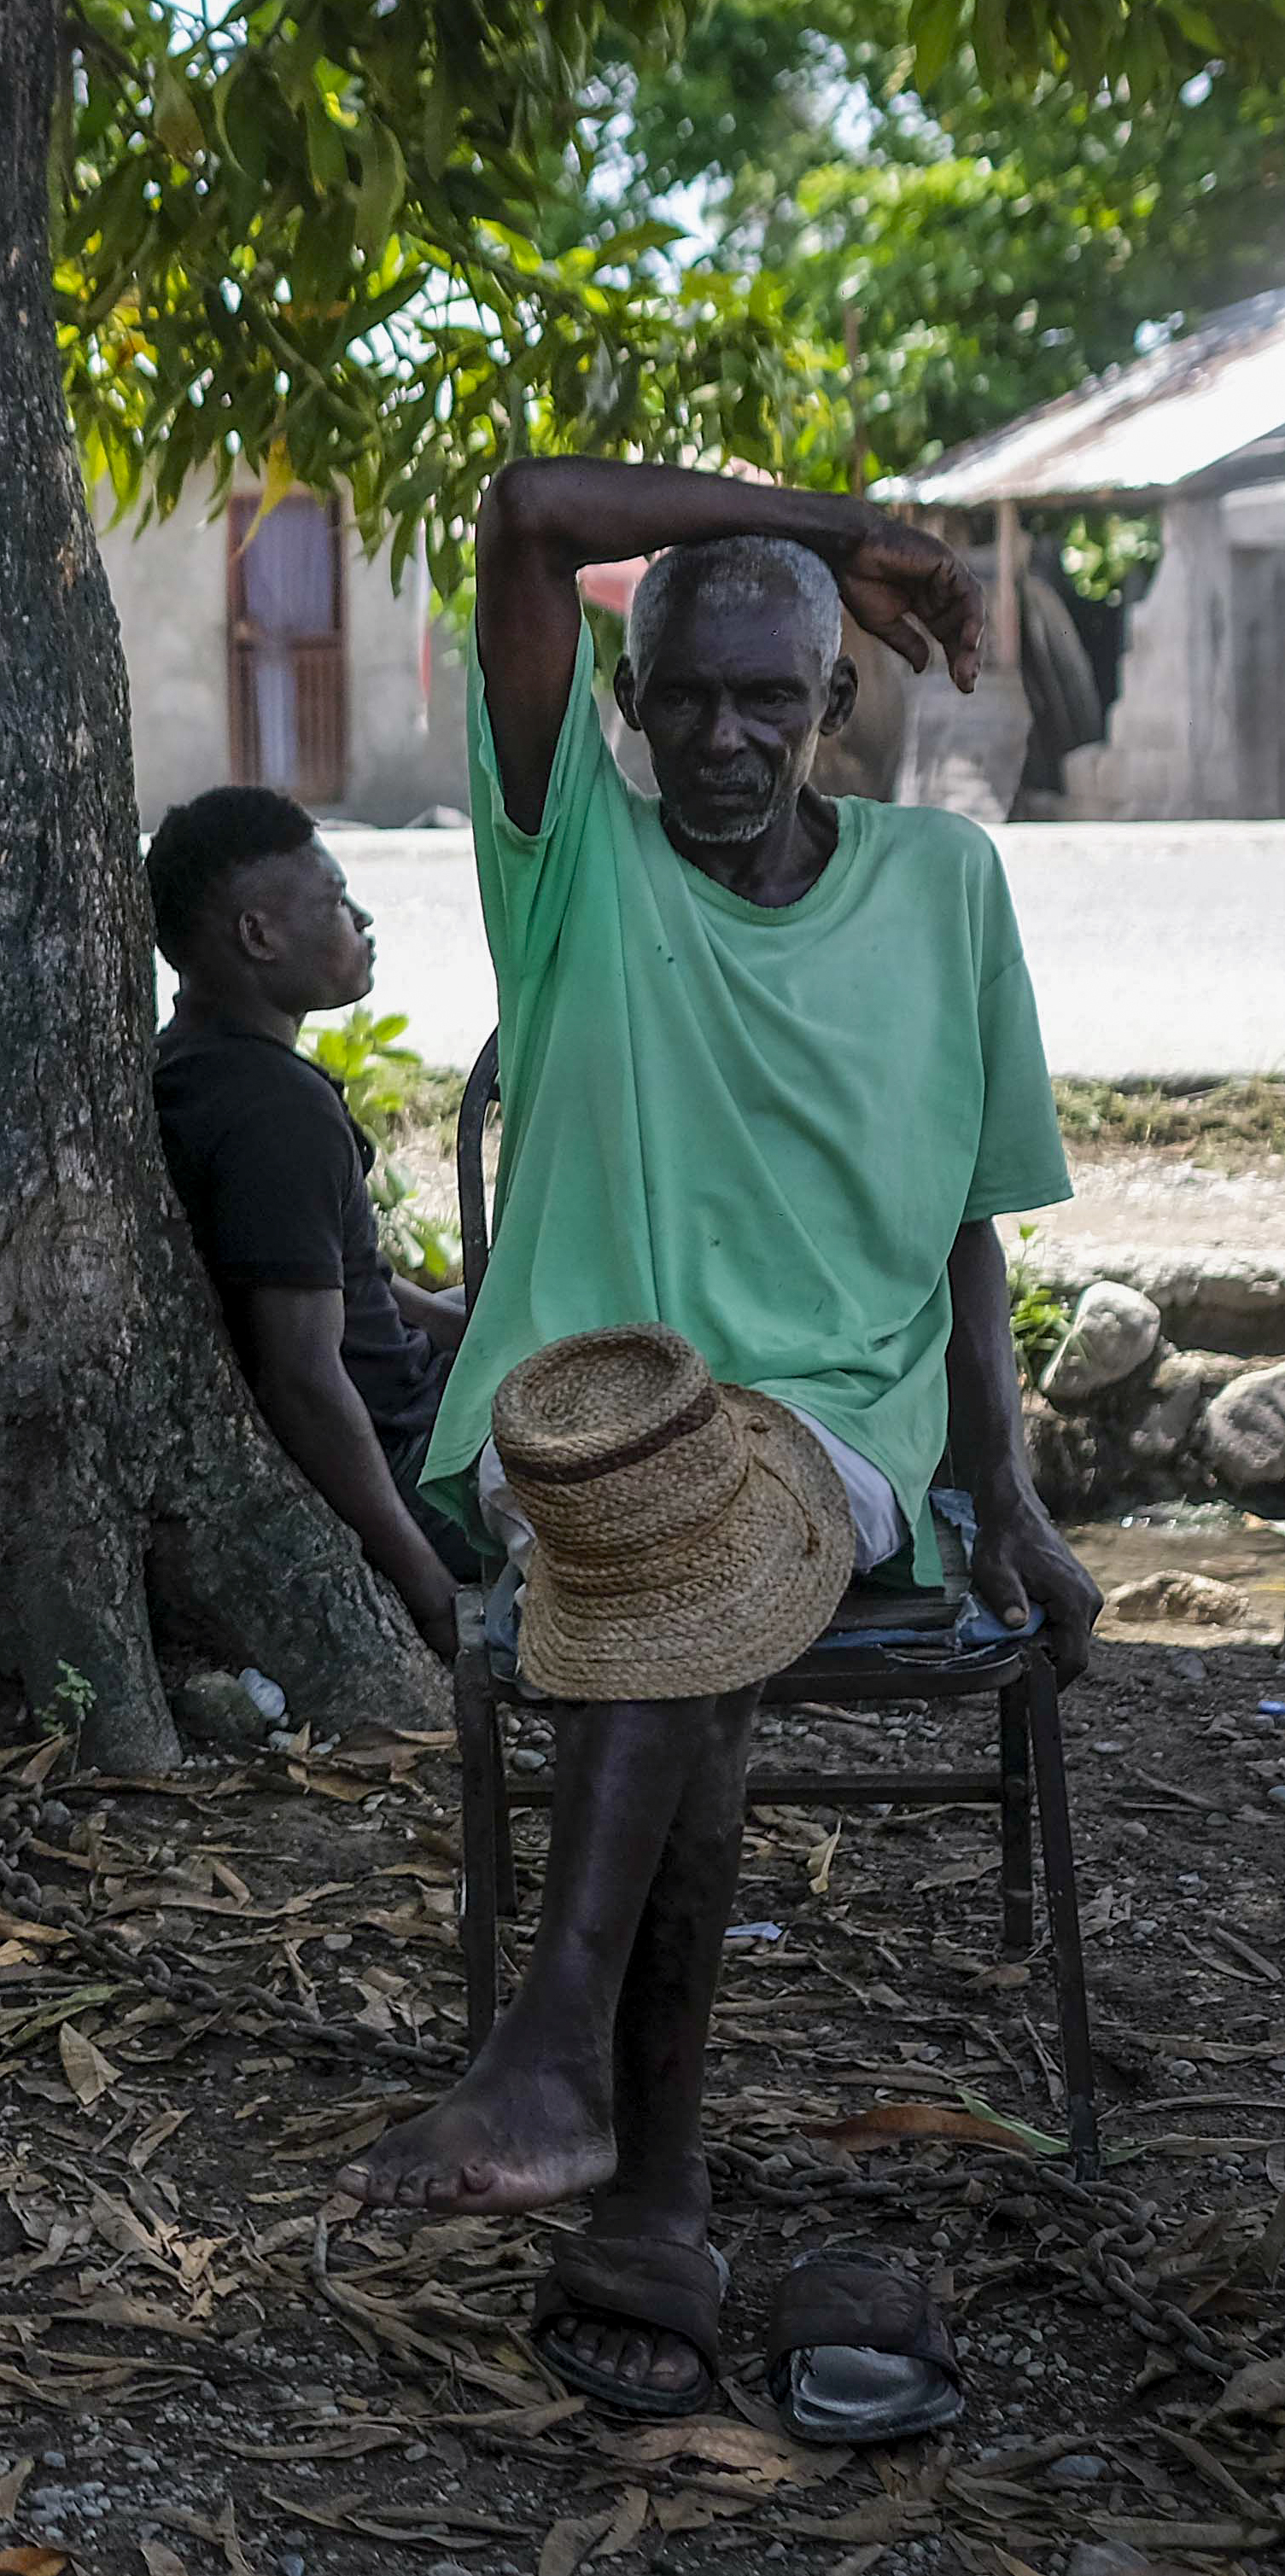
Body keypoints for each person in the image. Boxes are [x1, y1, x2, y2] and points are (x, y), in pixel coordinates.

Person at [338, 458, 1098, 2445]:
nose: (724, 736)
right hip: (569, 1428)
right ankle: (630, 2170)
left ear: (831, 709)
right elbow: (511, 507)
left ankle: (574, 2096)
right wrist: (845, 523)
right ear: (627, 706)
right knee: (653, 1534)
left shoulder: (942, 890)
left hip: (837, 1446)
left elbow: (962, 1221)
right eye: (684, 696)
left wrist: (1005, 1502)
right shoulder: (568, 858)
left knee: (687, 1548)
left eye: (772, 696)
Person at [143, 785, 479, 1656]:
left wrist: (453, 1324)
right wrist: (427, 1587)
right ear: (258, 935)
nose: (361, 919)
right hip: (415, 1468)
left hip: (419, 1407)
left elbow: (325, 1270)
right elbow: (302, 1375)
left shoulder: (191, 1061)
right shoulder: (275, 1113)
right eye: (333, 901)